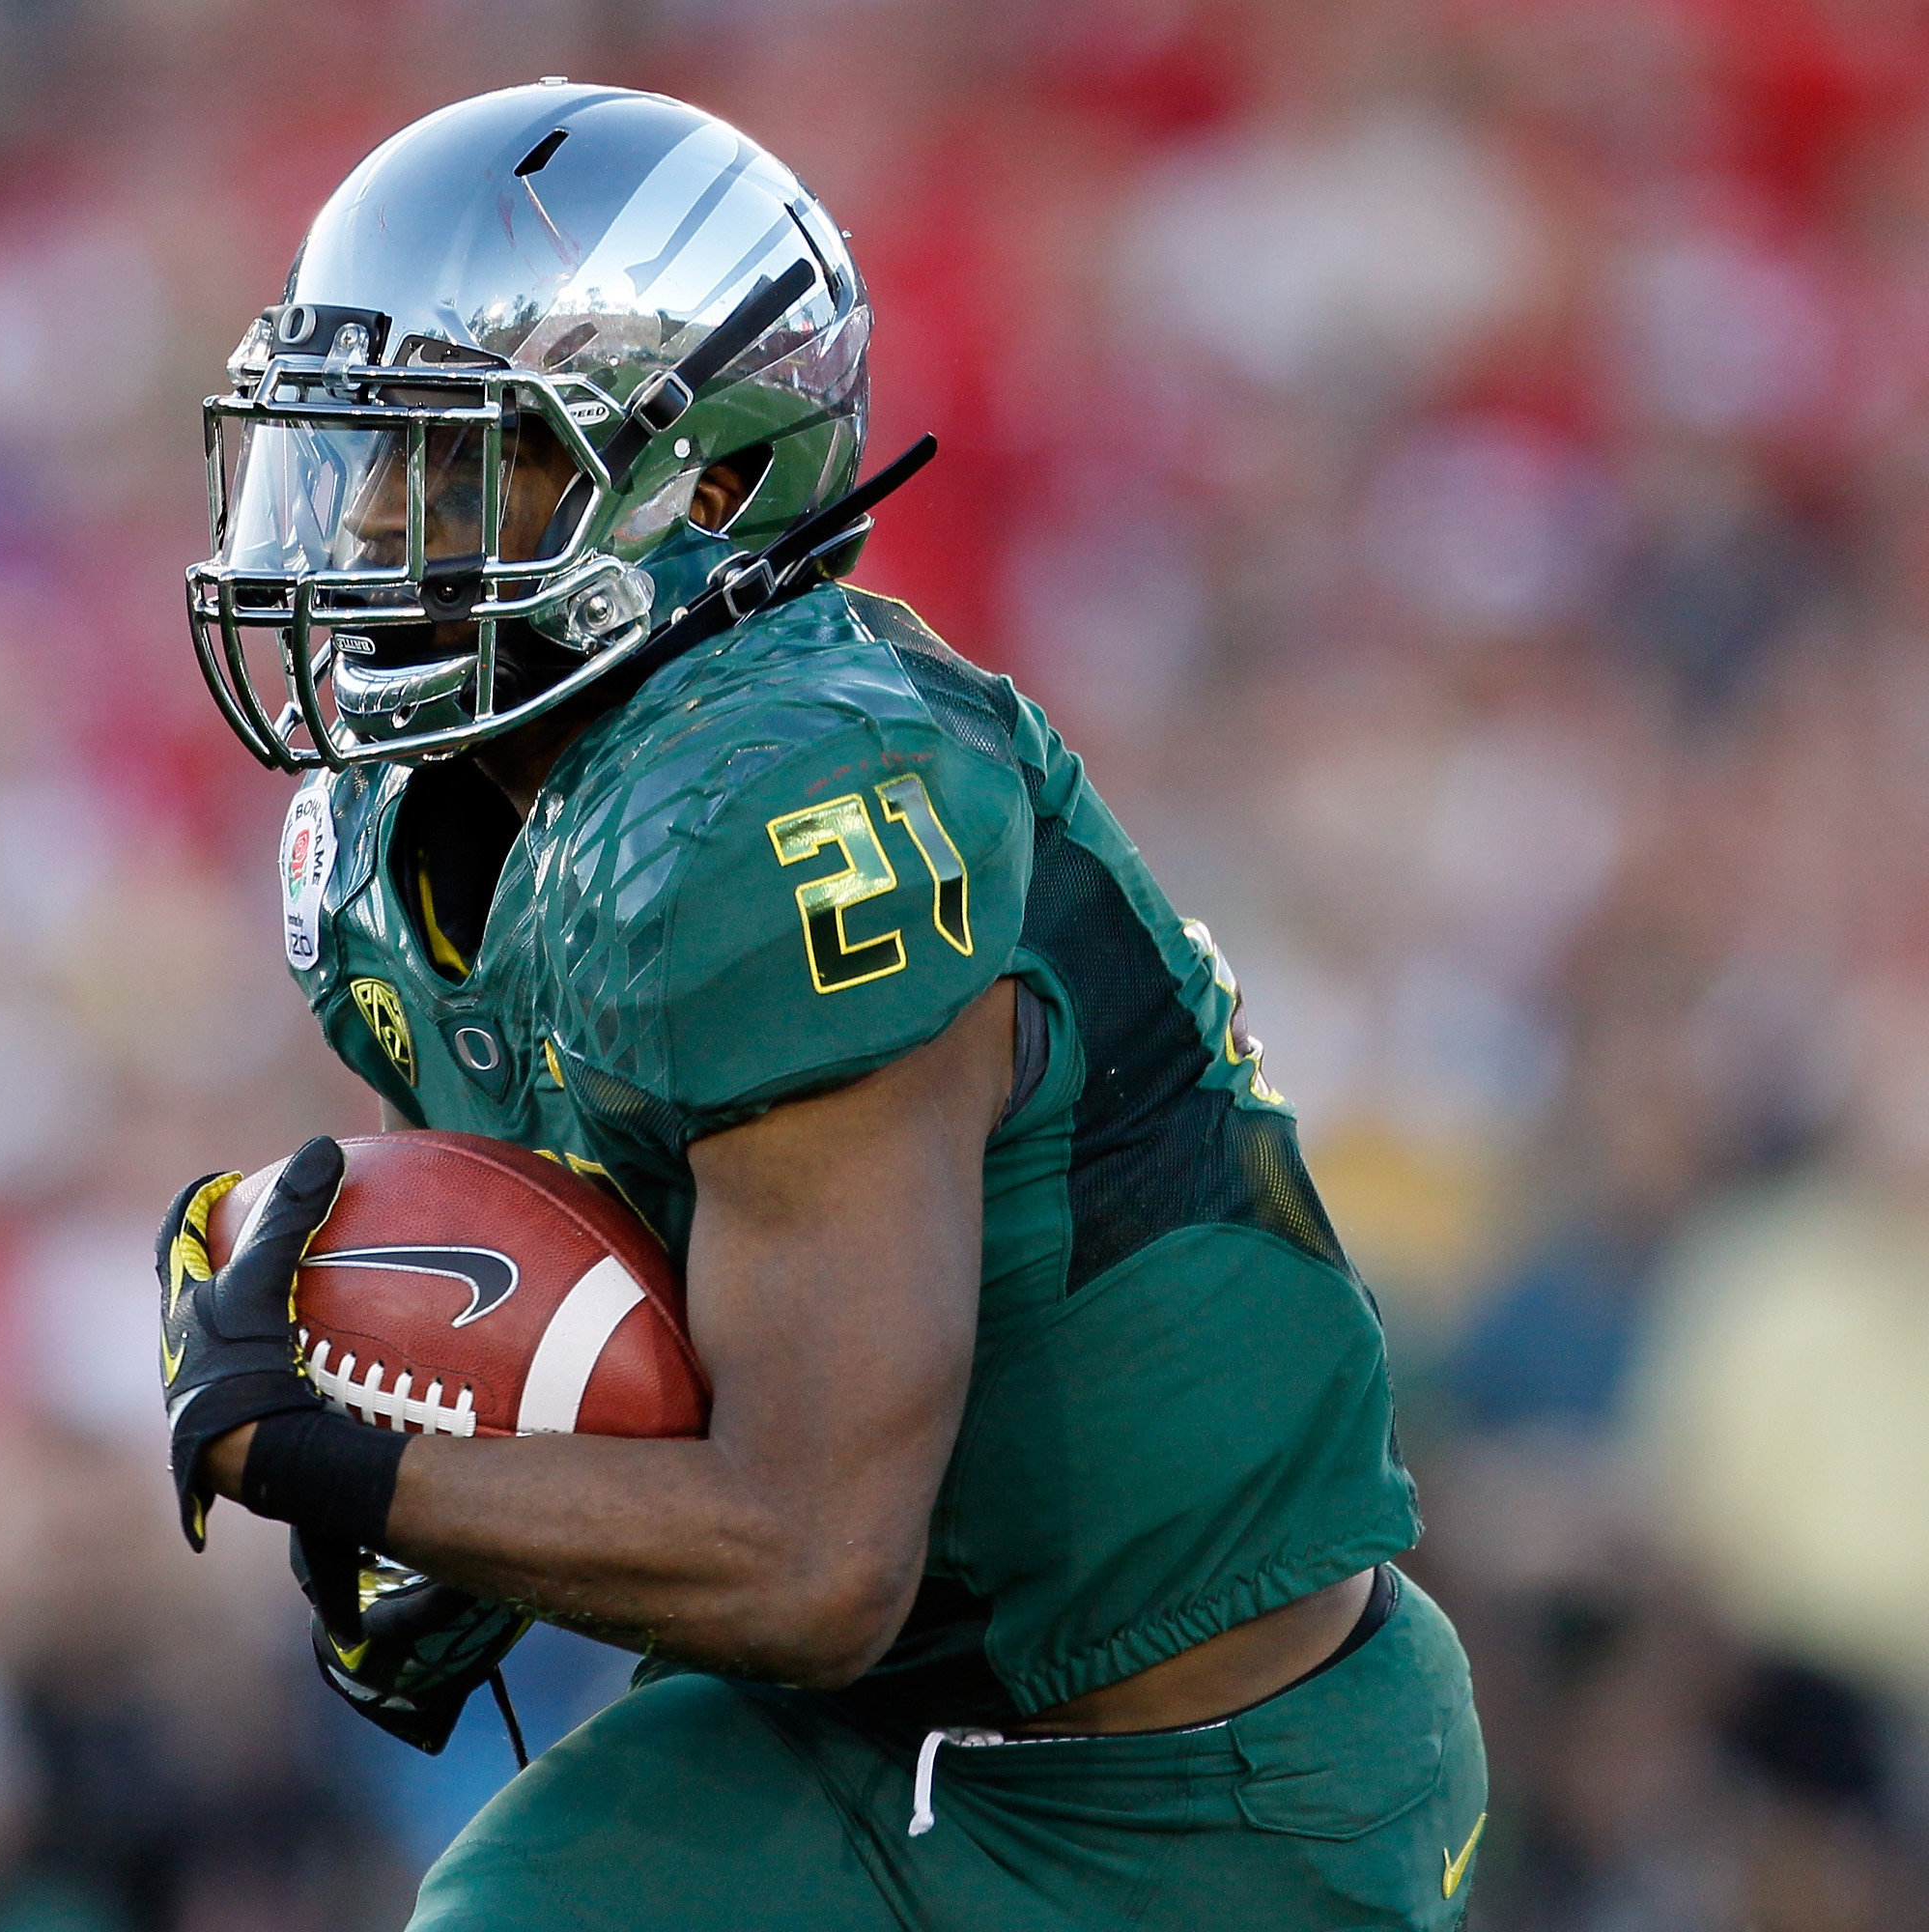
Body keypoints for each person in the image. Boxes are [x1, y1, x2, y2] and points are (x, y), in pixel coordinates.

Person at [160, 82, 1486, 1930]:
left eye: (462, 464)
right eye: (360, 455)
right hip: (823, 1739)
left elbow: (808, 1555)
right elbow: (571, 1288)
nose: (373, 524)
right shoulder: (396, 838)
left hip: (1199, 1790)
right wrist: (437, 1480)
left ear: (700, 486)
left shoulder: (785, 804)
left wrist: (336, 1458)